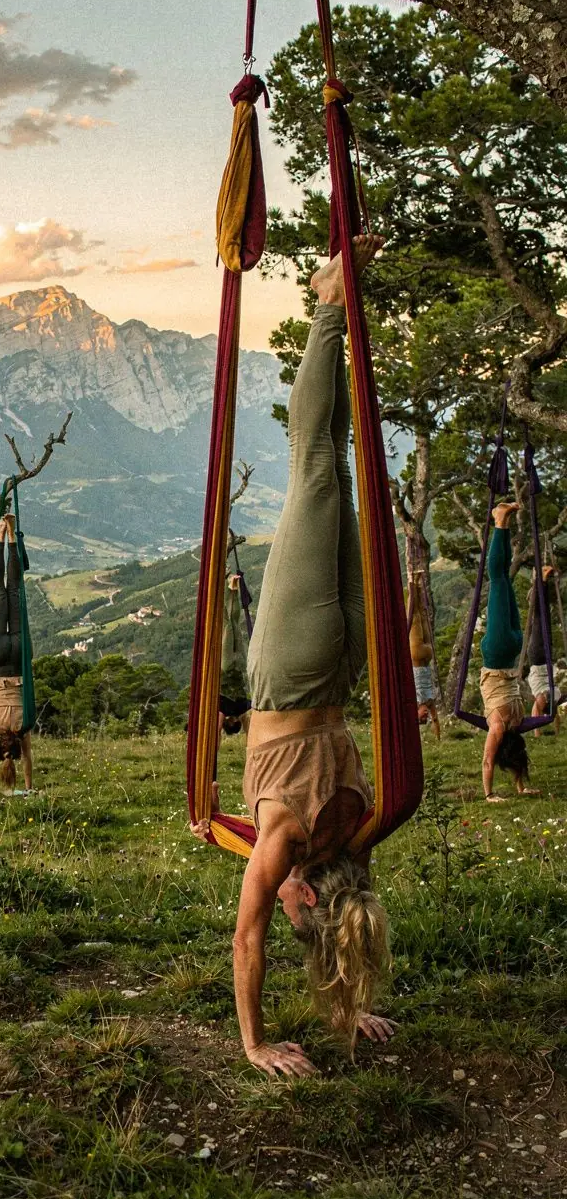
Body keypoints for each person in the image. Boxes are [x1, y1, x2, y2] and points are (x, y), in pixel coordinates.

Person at [230, 237, 395, 1080]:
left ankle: (337, 307)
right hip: (291, 673)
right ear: (304, 888)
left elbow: (347, 921)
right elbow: (247, 936)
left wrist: (353, 1005)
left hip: (344, 671)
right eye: (299, 899)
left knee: (339, 468)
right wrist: (253, 1044)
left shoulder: (356, 835)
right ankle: (330, 301)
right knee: (313, 466)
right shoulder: (288, 840)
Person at [479, 502, 538, 802]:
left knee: (501, 581)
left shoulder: (509, 724)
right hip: (506, 650)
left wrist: (489, 796)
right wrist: (520, 787)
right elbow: (496, 761)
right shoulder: (508, 725)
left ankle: (500, 521)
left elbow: (489, 761)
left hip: (504, 651)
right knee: (503, 581)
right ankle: (500, 521)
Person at [0, 516, 33, 794]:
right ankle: (2, 535)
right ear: (3, 750)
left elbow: (29, 762)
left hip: (22, 659)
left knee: (14, 591)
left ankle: (10, 537)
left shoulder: (23, 727)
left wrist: (29, 786)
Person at [527, 566, 561, 736]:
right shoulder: (553, 698)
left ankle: (540, 580)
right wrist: (557, 731)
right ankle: (540, 582)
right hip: (544, 658)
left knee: (540, 618)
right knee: (543, 618)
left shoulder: (543, 697)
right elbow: (555, 717)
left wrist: (536, 733)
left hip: (538, 657)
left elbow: (535, 711)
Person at [220, 573, 251, 736]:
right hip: (232, 666)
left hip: (234, 666)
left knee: (231, 626)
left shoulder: (229, 709)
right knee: (231, 625)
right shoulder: (234, 708)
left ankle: (230, 588)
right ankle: (231, 589)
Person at [408, 576, 440, 740]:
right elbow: (436, 719)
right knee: (423, 615)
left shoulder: (411, 701)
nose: (425, 715)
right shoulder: (429, 702)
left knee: (414, 620)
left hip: (417, 656)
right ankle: (418, 585)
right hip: (427, 656)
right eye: (424, 718)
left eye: (421, 717)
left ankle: (411, 584)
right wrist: (438, 736)